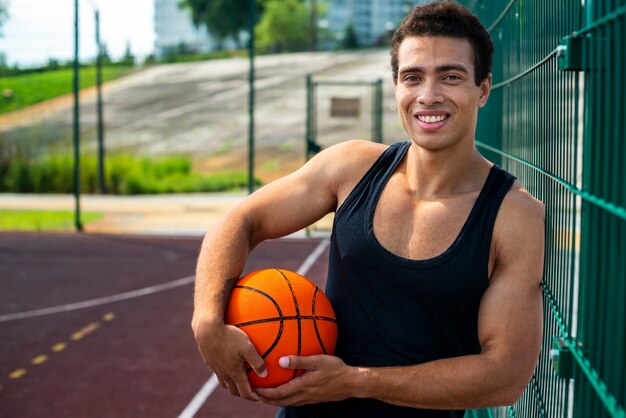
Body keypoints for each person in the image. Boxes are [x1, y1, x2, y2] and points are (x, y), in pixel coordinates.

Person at [191, 1, 545, 417]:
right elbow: (241, 220)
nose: (428, 96)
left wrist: (354, 382)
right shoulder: (352, 167)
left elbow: (505, 375)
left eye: (450, 77)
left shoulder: (514, 216)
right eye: (413, 77)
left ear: (482, 90)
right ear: (396, 86)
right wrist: (207, 320)